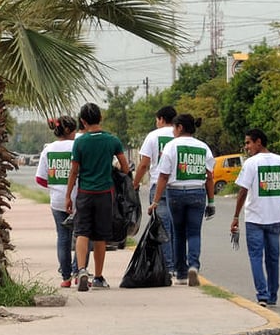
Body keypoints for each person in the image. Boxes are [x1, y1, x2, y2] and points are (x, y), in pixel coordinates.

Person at [231, 129, 280, 307]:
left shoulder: (252, 163)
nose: (246, 147)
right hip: (275, 218)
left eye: (248, 143)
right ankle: (273, 295)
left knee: (255, 257)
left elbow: (242, 192)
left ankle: (262, 295)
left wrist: (236, 216)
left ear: (258, 142)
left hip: (255, 218)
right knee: (273, 258)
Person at [65, 103, 129, 292]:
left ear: (83, 121)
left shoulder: (80, 142)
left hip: (85, 193)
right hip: (104, 194)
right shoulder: (112, 140)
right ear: (100, 118)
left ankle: (82, 270)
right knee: (101, 235)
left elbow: (74, 171)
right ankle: (99, 277)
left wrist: (68, 196)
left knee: (82, 232)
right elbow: (125, 168)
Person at [149, 114, 215, 286]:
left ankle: (181, 273)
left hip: (176, 193)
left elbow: (163, 176)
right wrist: (212, 201)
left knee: (178, 233)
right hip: (197, 193)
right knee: (194, 232)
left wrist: (155, 201)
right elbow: (209, 177)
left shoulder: (171, 146)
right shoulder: (203, 147)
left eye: (174, 128)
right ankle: (194, 266)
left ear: (179, 127)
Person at [132, 105, 177, 275]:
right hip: (177, 185)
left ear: (161, 119)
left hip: (158, 185)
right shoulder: (179, 134)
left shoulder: (153, 136)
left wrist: (135, 183)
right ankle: (180, 265)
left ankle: (169, 266)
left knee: (162, 226)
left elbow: (144, 164)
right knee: (176, 227)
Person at [35, 115, 79, 288]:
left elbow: (40, 178)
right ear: (69, 130)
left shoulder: (48, 149)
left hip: (58, 200)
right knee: (82, 236)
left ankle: (66, 277)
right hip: (78, 197)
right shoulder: (77, 146)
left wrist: (55, 186)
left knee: (63, 237)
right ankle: (79, 272)